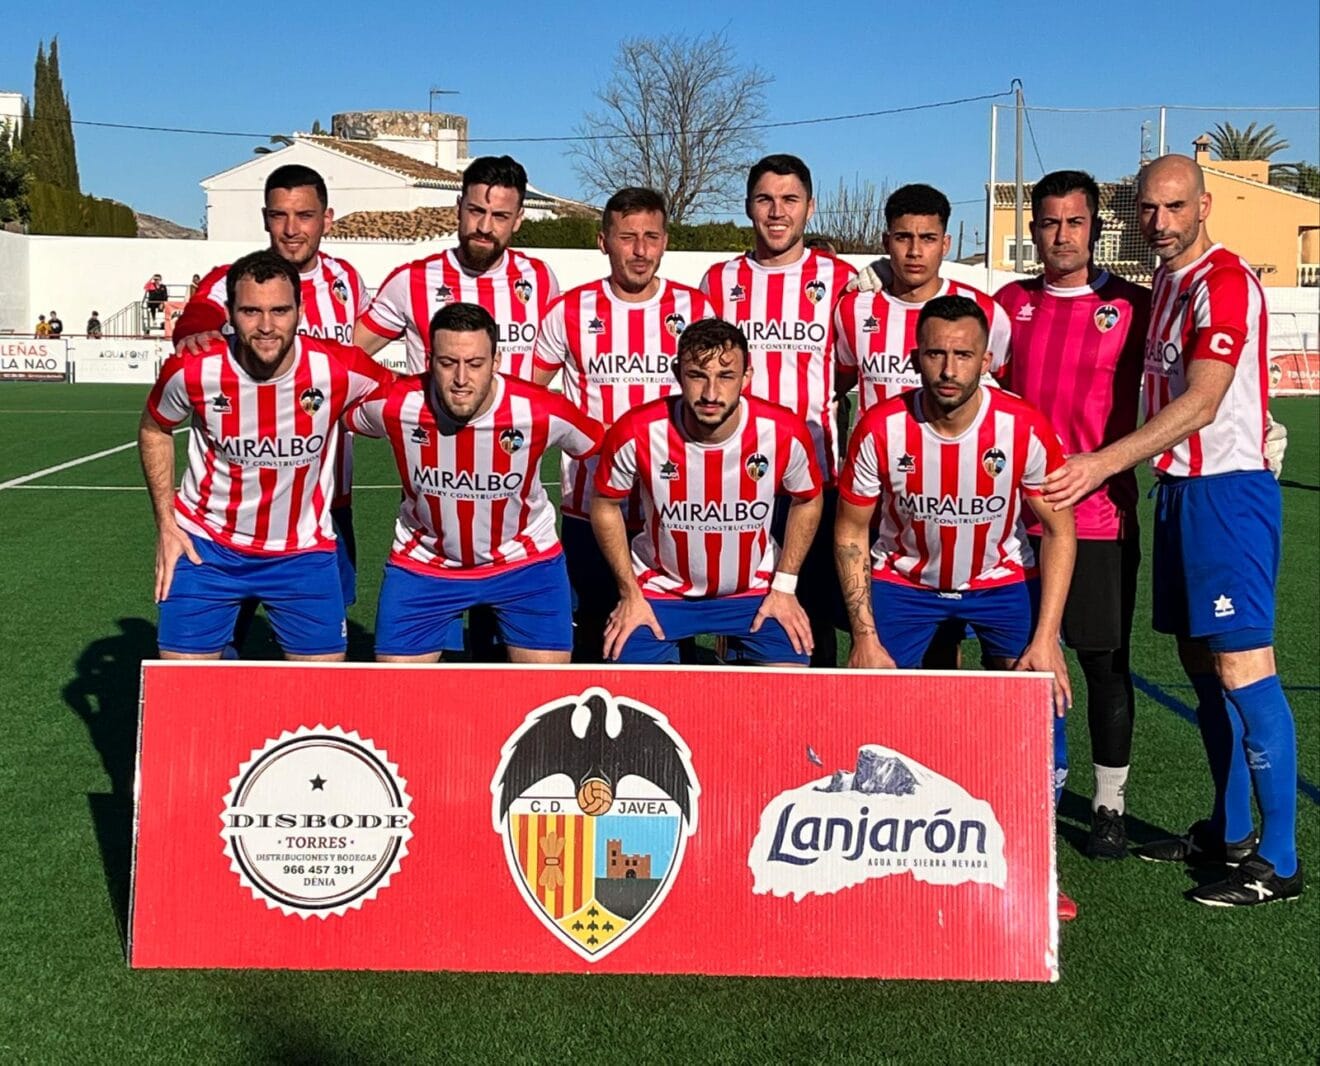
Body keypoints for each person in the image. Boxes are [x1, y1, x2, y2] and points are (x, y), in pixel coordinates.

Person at [1042, 154, 1301, 906]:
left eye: (1174, 208)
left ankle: (1279, 862)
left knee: (1244, 668)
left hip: (1227, 496)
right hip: (1180, 494)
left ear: (1205, 205)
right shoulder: (1167, 284)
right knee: (1200, 665)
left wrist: (1100, 464)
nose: (1159, 223)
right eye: (1148, 210)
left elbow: (1205, 401)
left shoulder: (1222, 281)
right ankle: (1226, 831)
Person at [835, 293, 1078, 918]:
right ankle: (878, 857)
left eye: (962, 355)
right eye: (936, 353)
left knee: (1039, 703)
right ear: (915, 356)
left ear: (987, 359)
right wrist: (864, 636)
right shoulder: (882, 427)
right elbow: (851, 534)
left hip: (998, 582)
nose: (948, 368)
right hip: (905, 584)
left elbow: (1059, 530)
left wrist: (1047, 637)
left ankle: (1031, 861)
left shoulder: (1020, 425)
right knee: (870, 714)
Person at [993, 170, 1150, 860]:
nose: (1062, 236)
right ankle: (1010, 794)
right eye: (1050, 223)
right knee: (1009, 664)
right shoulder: (1006, 305)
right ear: (1033, 231)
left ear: (1096, 228)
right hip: (1009, 524)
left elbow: (1183, 389)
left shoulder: (1134, 308)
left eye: (1075, 223)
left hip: (1098, 521)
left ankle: (1109, 805)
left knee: (1102, 664)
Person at [137, 250, 393, 662]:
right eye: (251, 311)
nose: (267, 326)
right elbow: (154, 427)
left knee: (321, 700)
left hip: (302, 553)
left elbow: (411, 401)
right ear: (229, 313)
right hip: (206, 548)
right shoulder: (193, 369)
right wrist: (166, 524)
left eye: (280, 310)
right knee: (186, 693)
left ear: (301, 310)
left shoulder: (339, 368)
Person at [172, 164, 369, 638]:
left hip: (322, 502)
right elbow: (195, 324)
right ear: (264, 218)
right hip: (234, 510)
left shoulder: (347, 282)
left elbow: (358, 363)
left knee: (321, 640)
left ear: (328, 218)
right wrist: (194, 331)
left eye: (304, 215)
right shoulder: (233, 282)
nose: (291, 229)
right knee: (222, 640)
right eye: (279, 215)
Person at [346, 303, 603, 663]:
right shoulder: (395, 405)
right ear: (428, 360)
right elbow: (333, 417)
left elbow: (602, 446)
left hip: (525, 566)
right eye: (448, 363)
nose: (462, 379)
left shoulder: (541, 410)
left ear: (497, 360)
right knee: (399, 696)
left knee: (548, 694)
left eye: (476, 364)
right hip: (425, 564)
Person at [531, 186, 717, 662]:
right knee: (594, 635)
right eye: (627, 237)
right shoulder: (569, 311)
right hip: (589, 508)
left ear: (665, 242)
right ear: (603, 242)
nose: (640, 250)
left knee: (676, 637)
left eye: (651, 237)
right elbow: (528, 398)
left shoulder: (695, 310)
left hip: (676, 511)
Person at [591, 318, 822, 665]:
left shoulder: (783, 431)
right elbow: (606, 503)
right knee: (633, 698)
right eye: (698, 375)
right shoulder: (638, 430)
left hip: (756, 590)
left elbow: (807, 499)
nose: (711, 393)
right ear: (677, 373)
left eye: (726, 377)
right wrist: (629, 592)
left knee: (788, 695)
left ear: (746, 377)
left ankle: (735, 645)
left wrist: (785, 586)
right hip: (660, 590)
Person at [701, 154, 857, 667]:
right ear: (748, 207)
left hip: (812, 483)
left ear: (810, 208)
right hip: (732, 482)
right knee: (734, 612)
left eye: (789, 200)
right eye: (765, 199)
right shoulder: (718, 282)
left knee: (810, 617)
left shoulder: (840, 281)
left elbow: (851, 369)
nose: (776, 212)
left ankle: (820, 732)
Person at [354, 155, 559, 382]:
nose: (485, 227)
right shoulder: (411, 280)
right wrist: (404, 388)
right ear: (459, 208)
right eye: (476, 211)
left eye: (500, 216)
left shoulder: (540, 278)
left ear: (518, 219)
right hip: (434, 419)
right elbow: (349, 356)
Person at [834, 183, 1010, 413]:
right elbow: (834, 385)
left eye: (928, 238)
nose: (915, 251)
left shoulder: (985, 311)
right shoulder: (854, 308)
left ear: (945, 244)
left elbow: (1015, 393)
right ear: (886, 242)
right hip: (876, 448)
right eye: (903, 238)